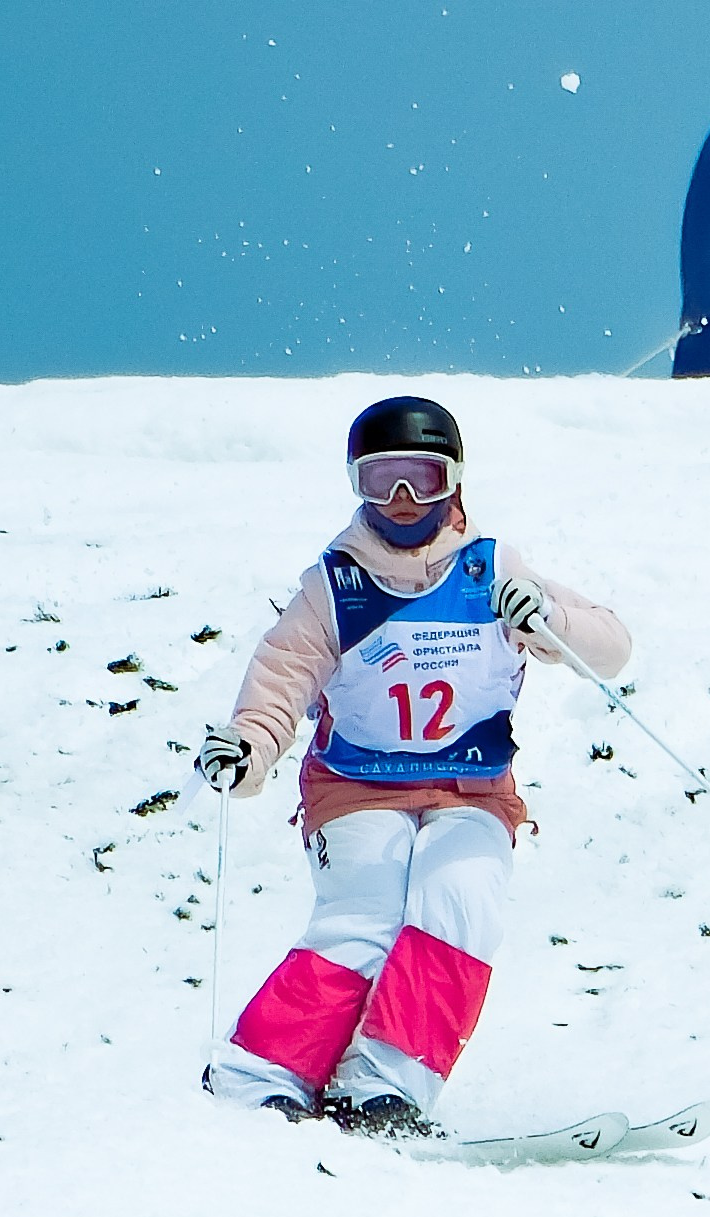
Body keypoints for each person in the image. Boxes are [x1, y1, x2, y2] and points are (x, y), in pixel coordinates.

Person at [191, 396, 632, 1136]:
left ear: (453, 481)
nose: (400, 502)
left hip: (470, 785)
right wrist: (250, 746)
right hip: (359, 783)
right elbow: (283, 677)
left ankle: (383, 1083)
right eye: (380, 481)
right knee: (366, 907)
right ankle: (260, 1073)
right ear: (355, 485)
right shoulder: (334, 587)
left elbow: (611, 648)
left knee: (461, 900)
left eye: (419, 480)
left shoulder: (492, 569)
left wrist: (546, 619)